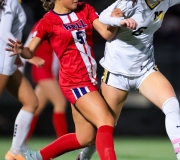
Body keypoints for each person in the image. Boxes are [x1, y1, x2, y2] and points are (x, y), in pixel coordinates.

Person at [6, 0, 137, 159]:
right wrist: (21, 50)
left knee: (85, 138)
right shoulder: (48, 21)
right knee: (106, 120)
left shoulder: (85, 9)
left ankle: (33, 157)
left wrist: (115, 21)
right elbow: (30, 51)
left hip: (90, 79)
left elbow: (106, 33)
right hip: (74, 82)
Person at [78, 0, 180, 160]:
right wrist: (119, 20)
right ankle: (83, 158)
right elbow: (104, 16)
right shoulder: (129, 3)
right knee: (104, 126)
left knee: (172, 105)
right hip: (116, 73)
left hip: (145, 70)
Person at [0, 0, 41, 159]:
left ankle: (15, 152)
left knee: (31, 101)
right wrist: (24, 53)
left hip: (7, 61)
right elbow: (4, 32)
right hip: (2, 63)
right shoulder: (10, 2)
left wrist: (16, 55)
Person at [19, 21, 68, 151]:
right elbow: (26, 48)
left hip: (50, 72)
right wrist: (20, 71)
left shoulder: (62, 24)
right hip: (42, 70)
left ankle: (21, 142)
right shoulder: (43, 24)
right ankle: (63, 142)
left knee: (37, 107)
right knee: (60, 103)